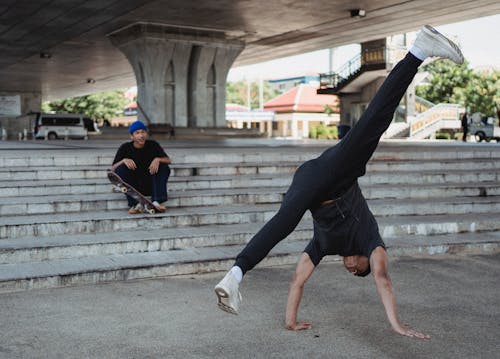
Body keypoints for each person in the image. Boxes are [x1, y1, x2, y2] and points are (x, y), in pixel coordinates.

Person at [214, 25, 464, 339]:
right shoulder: (371, 240)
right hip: (337, 174)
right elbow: (383, 279)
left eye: (352, 271)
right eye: (358, 269)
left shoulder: (324, 245)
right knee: (375, 120)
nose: (350, 268)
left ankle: (235, 275)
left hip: (309, 180)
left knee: (284, 221)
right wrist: (397, 325)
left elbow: (297, 281)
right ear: (364, 260)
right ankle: (419, 51)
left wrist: (291, 321)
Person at [111, 120, 171, 214]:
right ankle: (135, 204)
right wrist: (123, 160)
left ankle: (156, 201)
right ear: (132, 136)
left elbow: (168, 160)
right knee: (121, 168)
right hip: (134, 188)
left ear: (146, 134)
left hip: (151, 185)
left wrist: (158, 159)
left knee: (163, 166)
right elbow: (113, 170)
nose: (141, 135)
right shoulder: (125, 148)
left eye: (143, 132)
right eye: (137, 133)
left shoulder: (153, 145)